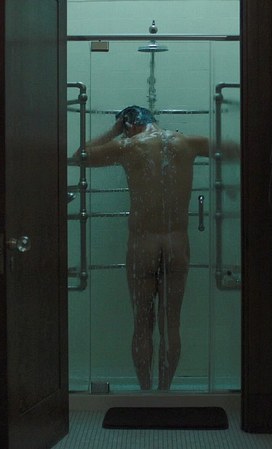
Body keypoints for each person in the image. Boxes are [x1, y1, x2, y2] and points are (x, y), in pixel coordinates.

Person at [73, 105, 209, 390]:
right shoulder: (187, 143)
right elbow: (232, 149)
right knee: (171, 325)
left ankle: (145, 392)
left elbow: (80, 156)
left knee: (142, 324)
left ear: (129, 125)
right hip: (176, 244)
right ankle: (164, 392)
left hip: (143, 245)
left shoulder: (128, 146)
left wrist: (115, 130)